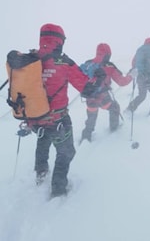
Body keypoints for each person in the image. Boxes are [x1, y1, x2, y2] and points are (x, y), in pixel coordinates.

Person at [26, 23, 94, 198]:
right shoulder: (64, 62)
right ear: (59, 41)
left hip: (35, 118)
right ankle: (58, 189)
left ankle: (41, 174)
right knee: (66, 152)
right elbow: (86, 87)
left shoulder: (31, 59)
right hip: (58, 120)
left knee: (43, 141)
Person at [80, 43, 136, 143]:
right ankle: (114, 130)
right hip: (103, 97)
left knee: (91, 116)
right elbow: (122, 82)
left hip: (90, 98)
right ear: (108, 54)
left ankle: (86, 137)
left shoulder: (88, 63)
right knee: (114, 107)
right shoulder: (109, 66)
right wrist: (131, 75)